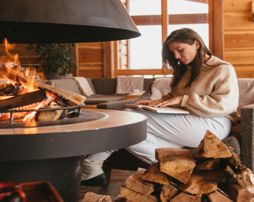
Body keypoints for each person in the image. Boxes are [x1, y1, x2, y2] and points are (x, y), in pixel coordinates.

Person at [81, 28, 239, 186]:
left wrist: (182, 100)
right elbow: (175, 97)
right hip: (187, 121)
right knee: (131, 134)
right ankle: (175, 169)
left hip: (214, 122)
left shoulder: (222, 69)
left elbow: (226, 104)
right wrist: (157, 102)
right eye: (173, 52)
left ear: (196, 44)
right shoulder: (185, 70)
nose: (176, 56)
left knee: (130, 119)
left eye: (180, 50)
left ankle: (91, 166)